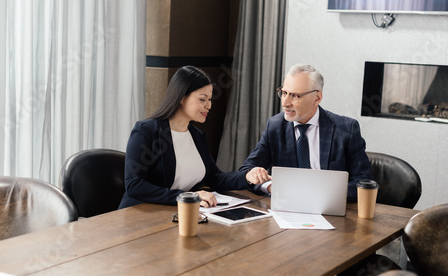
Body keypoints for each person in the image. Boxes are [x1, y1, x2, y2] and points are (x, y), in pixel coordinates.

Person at [118, 65, 269, 209]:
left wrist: (247, 176)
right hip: (139, 215)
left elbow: (215, 178)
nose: (208, 105)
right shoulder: (146, 131)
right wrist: (187, 197)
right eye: (202, 99)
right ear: (182, 98)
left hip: (175, 214)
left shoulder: (197, 136)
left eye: (210, 99)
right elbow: (134, 185)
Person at [240, 63, 372, 202]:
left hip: (330, 209)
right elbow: (246, 172)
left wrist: (321, 193)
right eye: (284, 93)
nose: (285, 103)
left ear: (317, 98)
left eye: (295, 96)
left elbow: (363, 183)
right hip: (287, 209)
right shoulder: (275, 126)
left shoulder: (346, 129)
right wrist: (269, 186)